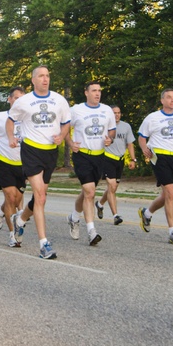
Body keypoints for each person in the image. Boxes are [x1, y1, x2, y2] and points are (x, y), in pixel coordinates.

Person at [6, 66, 71, 260]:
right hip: (31, 150)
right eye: (41, 76)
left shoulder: (59, 100)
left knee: (41, 198)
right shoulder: (24, 101)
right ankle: (44, 244)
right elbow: (10, 121)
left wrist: (62, 135)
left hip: (50, 152)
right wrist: (11, 137)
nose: (45, 79)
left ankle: (21, 219)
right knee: (40, 196)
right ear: (33, 80)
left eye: (48, 76)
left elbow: (66, 122)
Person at [136, 89, 173, 245]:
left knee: (168, 194)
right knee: (170, 193)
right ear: (162, 100)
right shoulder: (153, 117)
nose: (172, 100)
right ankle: (172, 232)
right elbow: (142, 137)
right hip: (160, 157)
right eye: (169, 97)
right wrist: (144, 148)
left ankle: (147, 213)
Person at [66, 81, 116, 246]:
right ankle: (91, 231)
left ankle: (74, 217)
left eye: (99, 91)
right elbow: (65, 128)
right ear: (86, 92)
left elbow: (112, 130)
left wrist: (111, 138)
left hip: (99, 156)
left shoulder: (106, 110)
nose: (97, 93)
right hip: (82, 155)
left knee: (88, 192)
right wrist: (70, 143)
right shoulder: (76, 110)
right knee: (89, 192)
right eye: (94, 90)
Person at [0, 87, 27, 246]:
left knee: (16, 201)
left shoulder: (28, 118)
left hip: (22, 165)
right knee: (10, 197)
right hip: (3, 162)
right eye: (15, 98)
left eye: (21, 99)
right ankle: (12, 235)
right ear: (9, 100)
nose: (18, 102)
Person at [96, 105, 136, 225]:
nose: (117, 115)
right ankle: (115, 215)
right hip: (107, 158)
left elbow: (130, 144)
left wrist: (133, 159)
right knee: (112, 186)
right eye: (114, 113)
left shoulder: (126, 126)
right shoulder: (105, 126)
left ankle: (100, 203)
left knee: (112, 188)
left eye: (118, 113)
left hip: (120, 160)